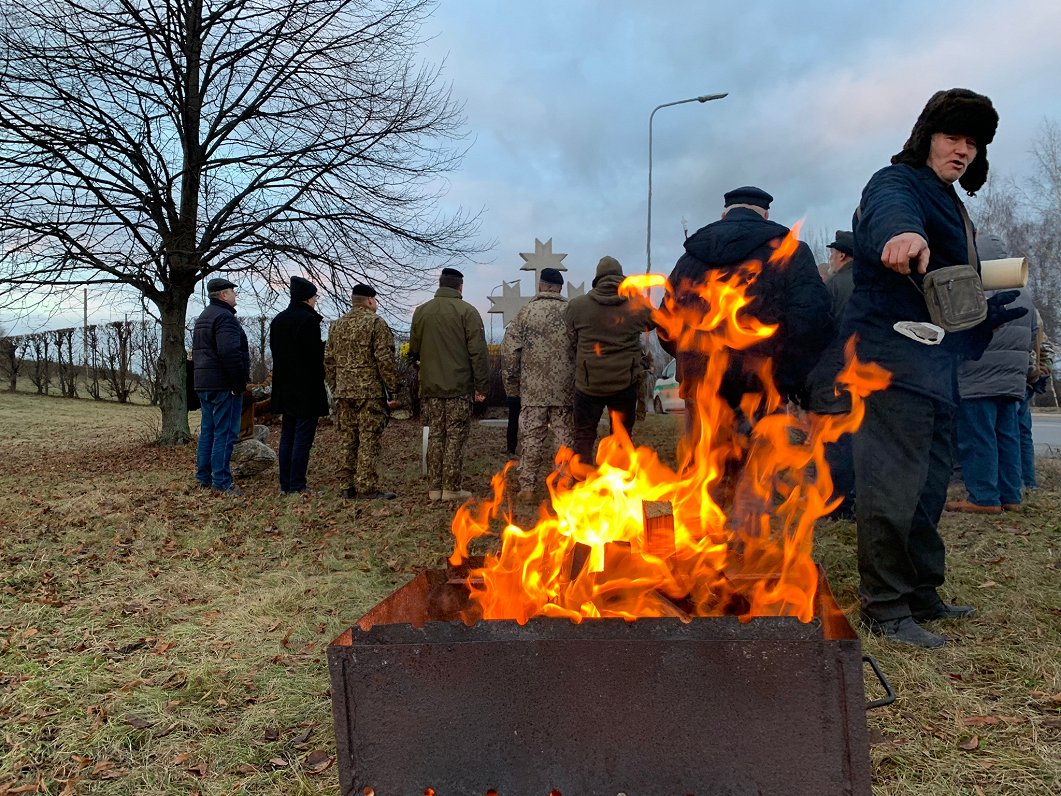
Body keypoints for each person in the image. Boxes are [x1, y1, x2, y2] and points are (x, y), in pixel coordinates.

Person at [841, 88, 1025, 649]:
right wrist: (903, 234)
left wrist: (985, 318)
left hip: (937, 366)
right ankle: (886, 605)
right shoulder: (898, 182)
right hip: (891, 362)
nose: (963, 150)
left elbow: (948, 290)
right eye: (953, 137)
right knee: (892, 484)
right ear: (927, 138)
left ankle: (920, 591)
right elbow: (890, 215)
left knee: (929, 485)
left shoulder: (954, 203)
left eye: (973, 142)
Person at [662, 186, 833, 415]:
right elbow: (811, 318)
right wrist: (787, 374)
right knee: (762, 451)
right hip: (763, 383)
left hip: (701, 383)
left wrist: (693, 358)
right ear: (765, 216)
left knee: (705, 451)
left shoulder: (689, 259)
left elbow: (665, 321)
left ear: (724, 215)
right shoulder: (791, 252)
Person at [945, 235, 1035, 514]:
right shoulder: (1025, 294)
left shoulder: (977, 286)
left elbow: (961, 326)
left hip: (978, 376)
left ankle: (983, 497)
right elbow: (1033, 334)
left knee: (978, 436)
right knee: (1008, 435)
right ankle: (1011, 495)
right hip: (1012, 380)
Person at [409, 267, 489, 501]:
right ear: (460, 286)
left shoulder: (421, 312)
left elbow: (413, 351)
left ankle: (434, 488)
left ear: (441, 284)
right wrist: (482, 387)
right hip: (458, 387)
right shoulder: (468, 312)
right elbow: (478, 353)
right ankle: (451, 488)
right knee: (455, 436)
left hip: (431, 388)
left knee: (435, 435)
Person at [564, 256, 653, 466]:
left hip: (588, 385)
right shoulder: (637, 306)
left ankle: (580, 488)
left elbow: (571, 340)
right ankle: (618, 491)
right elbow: (656, 323)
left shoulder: (577, 306)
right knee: (622, 440)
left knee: (583, 438)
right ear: (622, 279)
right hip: (625, 384)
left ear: (597, 279)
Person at [502, 267, 575, 501]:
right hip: (564, 389)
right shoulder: (570, 312)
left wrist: (512, 387)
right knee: (564, 439)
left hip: (533, 391)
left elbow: (510, 352)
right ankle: (563, 484)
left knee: (532, 438)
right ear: (560, 288)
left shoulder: (526, 313)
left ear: (541, 285)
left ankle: (527, 488)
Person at [324, 283, 401, 500]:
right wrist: (394, 390)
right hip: (369, 393)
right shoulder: (376, 323)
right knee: (368, 438)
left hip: (343, 392)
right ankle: (366, 487)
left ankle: (346, 485)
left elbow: (328, 360)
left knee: (347, 438)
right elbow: (384, 359)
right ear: (370, 300)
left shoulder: (337, 325)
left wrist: (336, 385)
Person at [269, 275, 329, 495]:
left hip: (284, 387)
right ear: (306, 298)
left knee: (288, 435)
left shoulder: (278, 320)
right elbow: (315, 357)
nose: (315, 301)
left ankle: (286, 484)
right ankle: (297, 485)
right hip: (306, 388)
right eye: (314, 297)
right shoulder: (308, 321)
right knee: (303, 437)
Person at [193, 276, 250, 495]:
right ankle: (222, 482)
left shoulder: (204, 316)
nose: (236, 295)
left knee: (208, 432)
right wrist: (237, 384)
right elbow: (229, 353)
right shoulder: (225, 318)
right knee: (225, 433)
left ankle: (203, 477)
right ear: (224, 295)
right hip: (223, 384)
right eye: (233, 291)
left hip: (204, 384)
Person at [821, 230, 857, 520]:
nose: (830, 258)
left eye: (832, 253)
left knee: (836, 441)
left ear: (842, 255)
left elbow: (820, 332)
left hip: (837, 375)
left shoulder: (834, 286)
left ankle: (839, 505)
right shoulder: (872, 282)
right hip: (868, 375)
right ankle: (857, 498)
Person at [1019, 309, 1055, 490]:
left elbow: (1045, 347)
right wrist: (1041, 369)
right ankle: (1028, 483)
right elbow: (1046, 348)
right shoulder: (1032, 309)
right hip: (1024, 379)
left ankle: (1024, 483)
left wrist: (1040, 370)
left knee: (1014, 434)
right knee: (1022, 435)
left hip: (1021, 379)